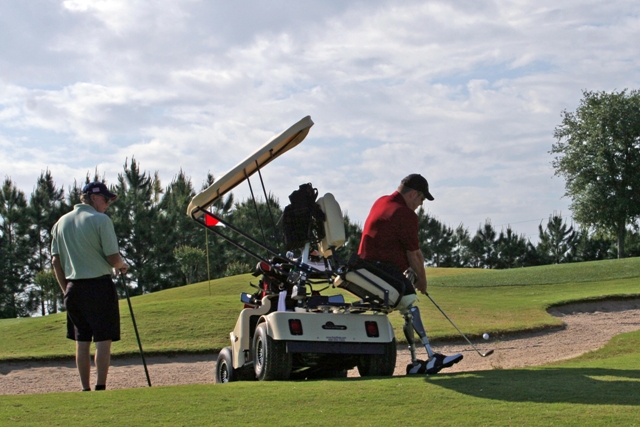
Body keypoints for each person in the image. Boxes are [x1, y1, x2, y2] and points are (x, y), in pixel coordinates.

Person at [358, 173, 463, 375]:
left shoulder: (381, 201)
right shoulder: (405, 214)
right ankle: (430, 357)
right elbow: (414, 255)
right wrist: (422, 282)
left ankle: (416, 362)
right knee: (409, 301)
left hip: (366, 268)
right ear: (414, 194)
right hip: (381, 271)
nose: (421, 204)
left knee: (406, 303)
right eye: (422, 199)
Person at [51, 182, 129, 391]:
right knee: (103, 339)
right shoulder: (101, 220)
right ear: (94, 198)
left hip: (73, 288)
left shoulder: (60, 222)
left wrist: (65, 290)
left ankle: (85, 388)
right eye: (106, 199)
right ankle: (100, 386)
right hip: (99, 286)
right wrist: (122, 266)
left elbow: (55, 261)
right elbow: (113, 257)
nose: (107, 204)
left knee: (82, 340)